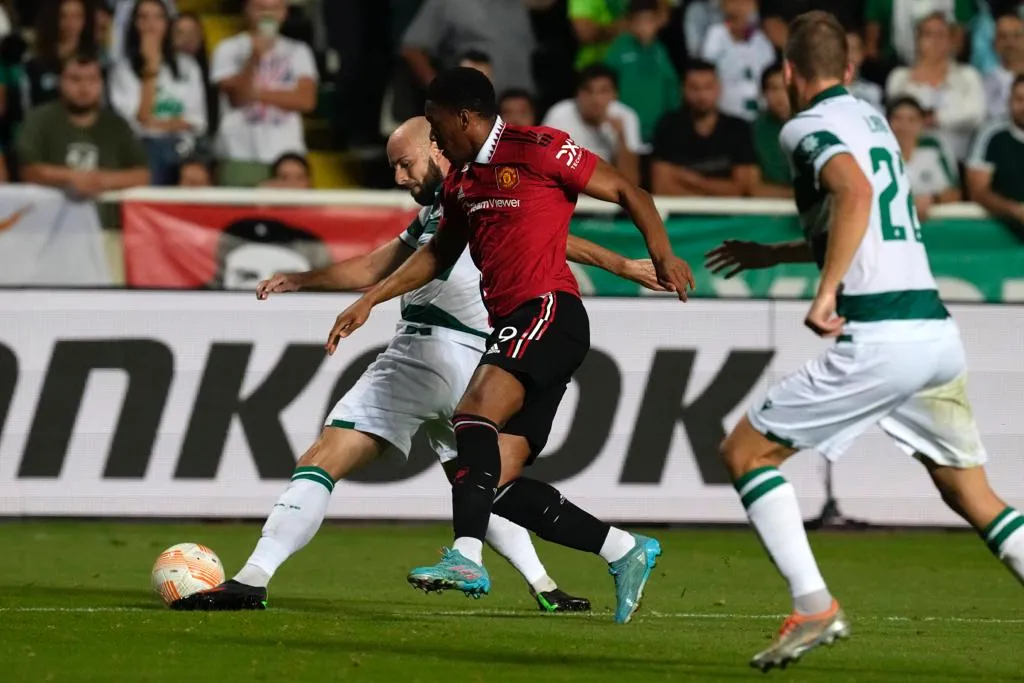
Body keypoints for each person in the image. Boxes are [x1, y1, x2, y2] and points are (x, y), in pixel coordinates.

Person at [170, 115, 667, 612]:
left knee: (324, 458)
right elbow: (376, 264)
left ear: (439, 148)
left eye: (406, 164)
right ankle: (552, 582)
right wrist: (302, 280)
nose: (400, 178)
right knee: (487, 483)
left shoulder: (477, 189)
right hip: (459, 358)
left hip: (435, 354)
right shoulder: (445, 207)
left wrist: (620, 264)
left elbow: (544, 235)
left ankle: (253, 577)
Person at [705, 11, 1024, 672]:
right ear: (849, 71)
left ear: (789, 73)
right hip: (934, 332)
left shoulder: (805, 125)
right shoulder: (872, 119)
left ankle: (814, 603)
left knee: (744, 452)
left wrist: (825, 292)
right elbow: (865, 207)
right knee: (974, 496)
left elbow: (852, 192)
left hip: (882, 333)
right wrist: (779, 253)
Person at [324, 67, 695, 623]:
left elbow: (627, 189)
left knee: (471, 416)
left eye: (438, 124)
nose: (435, 139)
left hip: (548, 309)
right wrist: (372, 298)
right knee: (493, 482)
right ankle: (623, 549)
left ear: (465, 117)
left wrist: (661, 252)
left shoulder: (539, 148)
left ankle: (466, 555)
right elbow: (435, 257)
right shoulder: (461, 183)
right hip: (522, 322)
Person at [210, 0, 318, 187]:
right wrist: (254, 57)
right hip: (239, 154)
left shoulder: (299, 51)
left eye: (274, 8)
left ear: (284, 12)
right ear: (247, 10)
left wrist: (256, 93)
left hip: (288, 155)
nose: (267, 14)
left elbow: (305, 100)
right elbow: (239, 97)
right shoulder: (227, 48)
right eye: (260, 8)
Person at [17, 50, 149, 198]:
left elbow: (141, 175)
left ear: (101, 84)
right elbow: (28, 170)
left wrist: (100, 180)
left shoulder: (117, 125)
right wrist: (71, 178)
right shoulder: (39, 119)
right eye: (75, 79)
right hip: (51, 217)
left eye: (92, 79)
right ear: (60, 81)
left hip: (104, 219)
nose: (84, 87)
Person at [108, 0, 207, 186]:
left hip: (185, 148)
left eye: (158, 17)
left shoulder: (188, 66)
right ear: (133, 24)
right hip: (144, 148)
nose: (151, 24)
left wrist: (155, 123)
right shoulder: (123, 70)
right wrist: (150, 69)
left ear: (168, 23)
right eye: (143, 17)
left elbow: (197, 122)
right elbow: (138, 122)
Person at [885, 11, 984, 160]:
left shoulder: (968, 75)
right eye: (928, 34)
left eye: (941, 35)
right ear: (917, 40)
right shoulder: (899, 77)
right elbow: (896, 116)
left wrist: (937, 118)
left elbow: (976, 114)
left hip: (958, 158)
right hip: (910, 159)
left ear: (951, 41)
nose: (935, 41)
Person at [650, 60, 757, 197]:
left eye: (708, 87)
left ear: (719, 88)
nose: (701, 95)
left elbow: (741, 189)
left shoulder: (737, 128)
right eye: (694, 88)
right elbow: (662, 187)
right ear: (683, 90)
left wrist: (692, 180)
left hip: (729, 215)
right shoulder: (668, 126)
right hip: (681, 215)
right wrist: (715, 191)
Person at [401, 0, 537, 96]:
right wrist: (440, 93)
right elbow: (412, 49)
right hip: (477, 110)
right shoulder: (448, 2)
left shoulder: (517, 5)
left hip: (522, 110)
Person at [542, 64, 644, 185]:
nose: (595, 99)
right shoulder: (559, 114)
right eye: (588, 91)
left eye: (603, 91)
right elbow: (543, 169)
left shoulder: (625, 117)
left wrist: (621, 138)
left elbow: (631, 182)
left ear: (615, 95)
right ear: (577, 93)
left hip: (608, 197)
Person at [604, 0, 680, 145]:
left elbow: (671, 86)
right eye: (639, 21)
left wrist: (672, 118)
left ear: (658, 22)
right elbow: (606, 82)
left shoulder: (660, 51)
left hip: (655, 127)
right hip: (624, 127)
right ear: (630, 23)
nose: (645, 27)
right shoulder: (619, 48)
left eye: (649, 21)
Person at [700, 0, 777, 121]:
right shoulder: (715, 35)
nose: (740, 7)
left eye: (746, 3)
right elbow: (706, 76)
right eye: (735, 2)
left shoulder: (762, 40)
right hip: (724, 115)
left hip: (759, 115)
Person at [967, 75, 1024, 238]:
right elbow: (977, 190)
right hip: (1001, 230)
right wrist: (1015, 210)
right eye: (1019, 99)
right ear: (1009, 101)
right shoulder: (991, 134)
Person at [887, 95, 960, 220]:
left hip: (933, 224)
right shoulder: (877, 151)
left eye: (911, 119)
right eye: (898, 118)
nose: (904, 125)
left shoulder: (935, 148)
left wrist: (932, 200)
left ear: (921, 123)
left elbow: (954, 194)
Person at [23, 0, 96, 112]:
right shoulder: (36, 65)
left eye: (77, 16)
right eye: (64, 16)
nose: (71, 23)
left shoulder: (95, 61)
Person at [750, 62, 792, 197]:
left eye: (787, 88)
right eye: (774, 89)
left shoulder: (818, 126)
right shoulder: (751, 131)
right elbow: (754, 189)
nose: (781, 96)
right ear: (763, 93)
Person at [984, 12, 1024, 121]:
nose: (1010, 42)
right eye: (1003, 37)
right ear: (994, 43)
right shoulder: (985, 84)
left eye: (1017, 35)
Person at [845, 29, 883, 111]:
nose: (849, 55)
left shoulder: (873, 92)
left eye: (853, 49)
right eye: (845, 50)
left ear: (862, 55)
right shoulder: (826, 89)